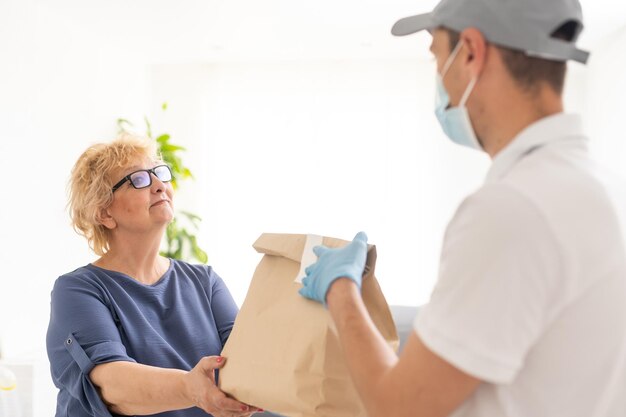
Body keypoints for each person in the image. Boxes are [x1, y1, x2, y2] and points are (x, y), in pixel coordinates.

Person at [299, 0, 626, 416]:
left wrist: (339, 290)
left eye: (438, 57)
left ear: (471, 51)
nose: (439, 81)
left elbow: (399, 406)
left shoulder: (512, 210)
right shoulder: (608, 190)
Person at [46, 135, 260, 417]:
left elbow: (247, 359)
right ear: (104, 213)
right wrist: (190, 388)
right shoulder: (77, 290)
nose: (159, 185)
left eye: (159, 173)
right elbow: (111, 386)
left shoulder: (204, 282)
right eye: (138, 179)